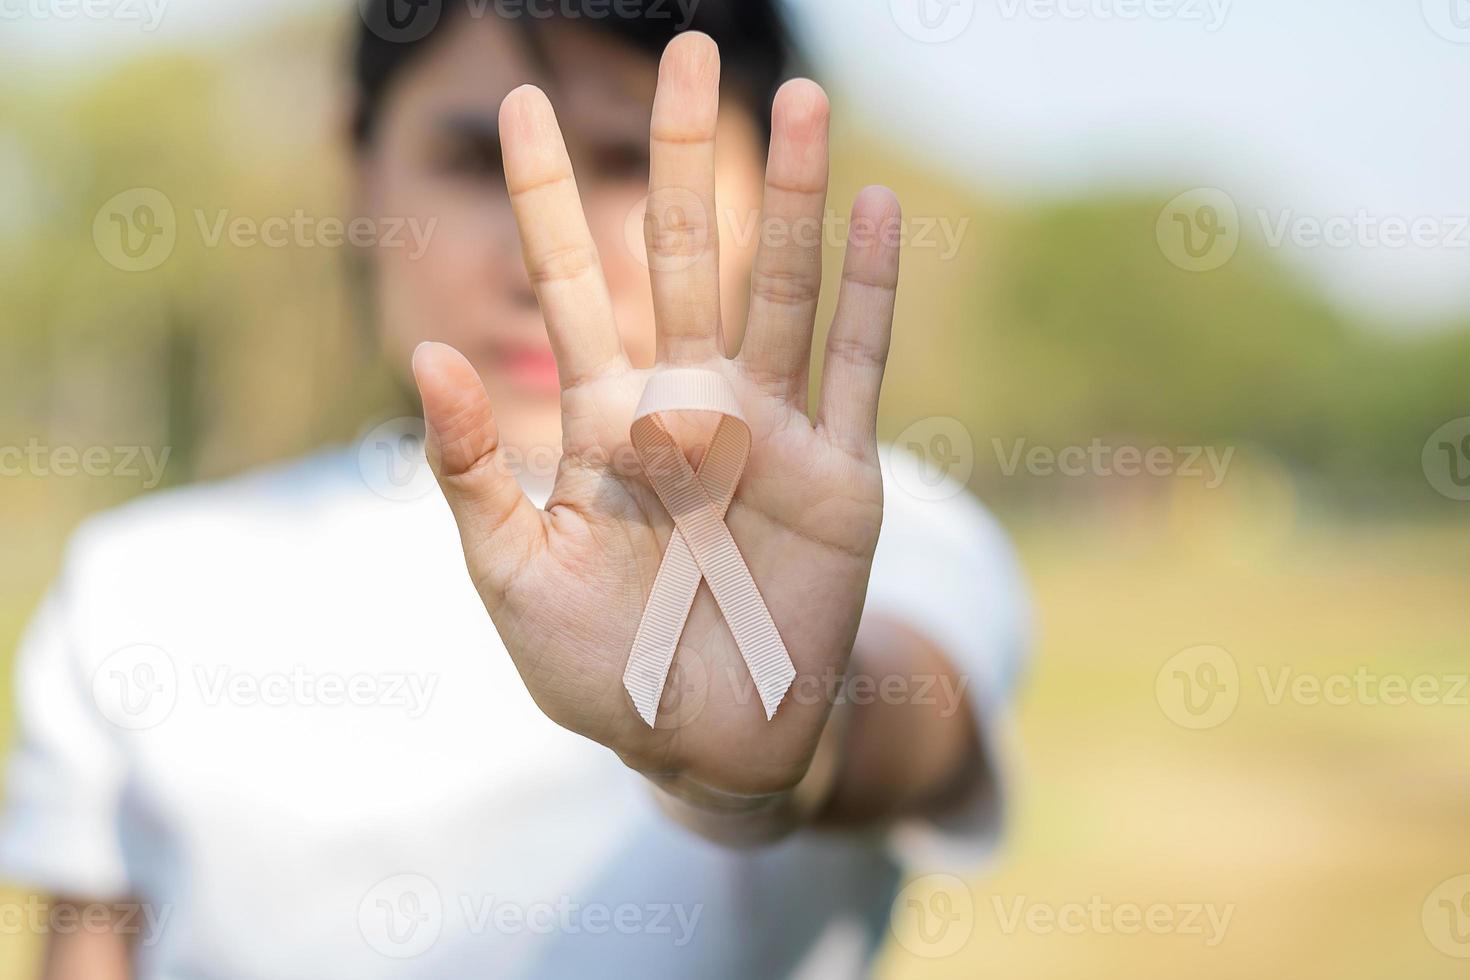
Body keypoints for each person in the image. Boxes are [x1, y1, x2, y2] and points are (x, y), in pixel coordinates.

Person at [2, 2, 1029, 977]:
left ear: (767, 187)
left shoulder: (873, 531)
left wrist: (772, 736)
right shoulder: (140, 582)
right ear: (359, 171)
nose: (547, 254)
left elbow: (895, 717)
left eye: (630, 160)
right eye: (473, 160)